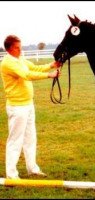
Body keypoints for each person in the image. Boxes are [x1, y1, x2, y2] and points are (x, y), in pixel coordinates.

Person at [0, 35, 61, 179]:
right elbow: (27, 74)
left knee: (30, 138)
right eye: (17, 48)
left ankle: (32, 168)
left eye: (20, 47)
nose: (20, 50)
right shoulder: (7, 63)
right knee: (15, 140)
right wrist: (49, 75)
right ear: (9, 49)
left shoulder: (19, 59)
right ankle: (11, 174)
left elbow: (33, 67)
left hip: (28, 104)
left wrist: (51, 65)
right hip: (17, 107)